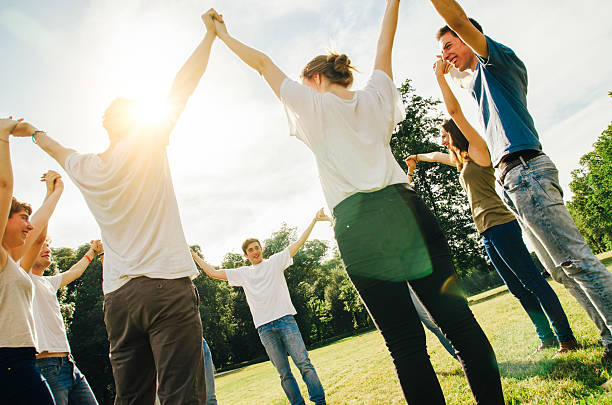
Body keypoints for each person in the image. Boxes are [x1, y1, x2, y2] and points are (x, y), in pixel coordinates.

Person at [208, 1, 504, 403]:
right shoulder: (377, 93)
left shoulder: (310, 103)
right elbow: (386, 41)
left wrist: (222, 35)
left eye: (304, 81)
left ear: (314, 78)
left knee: (404, 343)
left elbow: (262, 63)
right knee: (460, 323)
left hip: (357, 225)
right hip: (406, 210)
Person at [11, 9, 223, 402]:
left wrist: (30, 131)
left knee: (132, 398)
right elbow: (183, 85)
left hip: (119, 300)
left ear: (106, 126)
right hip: (165, 285)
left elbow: (56, 147)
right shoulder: (148, 141)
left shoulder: (87, 167)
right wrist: (210, 36)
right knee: (181, 395)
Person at [428, 0, 612, 361]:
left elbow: (456, 18)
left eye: (449, 45)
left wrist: (455, 26)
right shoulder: (479, 83)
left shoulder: (497, 62)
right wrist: (440, 78)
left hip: (527, 171)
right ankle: (608, 338)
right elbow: (452, 112)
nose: (445, 54)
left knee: (576, 261)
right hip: (513, 181)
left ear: (470, 38)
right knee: (561, 273)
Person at [406, 58, 579, 354]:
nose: (443, 140)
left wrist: (440, 80)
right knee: (515, 287)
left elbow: (455, 112)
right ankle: (546, 336)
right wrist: (418, 157)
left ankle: (565, 337)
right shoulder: (461, 160)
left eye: (445, 134)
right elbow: (437, 155)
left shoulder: (479, 152)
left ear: (455, 133)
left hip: (502, 224)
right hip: (485, 232)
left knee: (532, 281)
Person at [191, 209, 329, 405]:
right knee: (284, 373)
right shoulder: (243, 273)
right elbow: (213, 273)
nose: (255, 252)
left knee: (304, 364)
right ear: (246, 255)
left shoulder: (275, 262)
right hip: (264, 328)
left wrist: (314, 220)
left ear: (261, 248)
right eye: (251, 250)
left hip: (286, 320)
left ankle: (319, 401)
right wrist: (194, 256)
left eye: (257, 247)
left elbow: (298, 243)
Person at [1, 118, 62, 405]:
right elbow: (3, 186)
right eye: (22, 218)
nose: (28, 226)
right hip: (8, 360)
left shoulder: (12, 264)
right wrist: (4, 136)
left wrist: (55, 193)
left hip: (21, 359)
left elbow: (37, 234)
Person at [21, 235, 102, 405]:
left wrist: (92, 252)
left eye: (48, 245)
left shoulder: (48, 282)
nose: (47, 249)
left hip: (69, 364)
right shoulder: (22, 280)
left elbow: (75, 271)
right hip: (46, 366)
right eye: (40, 245)